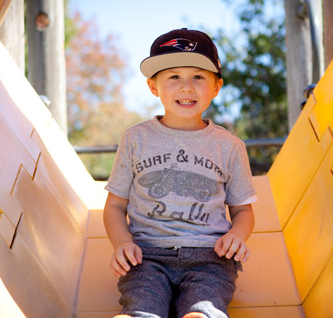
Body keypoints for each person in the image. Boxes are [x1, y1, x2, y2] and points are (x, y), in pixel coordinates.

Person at [103, 28, 257, 318]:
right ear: (153, 86)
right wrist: (122, 243)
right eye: (174, 76)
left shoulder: (230, 146)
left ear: (216, 87)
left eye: (198, 76)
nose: (186, 87)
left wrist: (237, 235)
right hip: (146, 256)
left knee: (205, 308)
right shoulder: (135, 139)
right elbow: (115, 205)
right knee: (141, 307)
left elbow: (243, 211)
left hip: (211, 259)